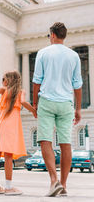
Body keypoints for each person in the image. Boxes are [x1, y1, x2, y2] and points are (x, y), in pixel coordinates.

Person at [32, 22, 83, 197]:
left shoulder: (43, 53)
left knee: (45, 139)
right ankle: (64, 184)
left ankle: (54, 180)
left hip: (47, 101)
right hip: (66, 103)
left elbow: (37, 81)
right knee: (66, 143)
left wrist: (34, 103)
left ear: (52, 34)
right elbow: (77, 85)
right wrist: (78, 109)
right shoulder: (74, 56)